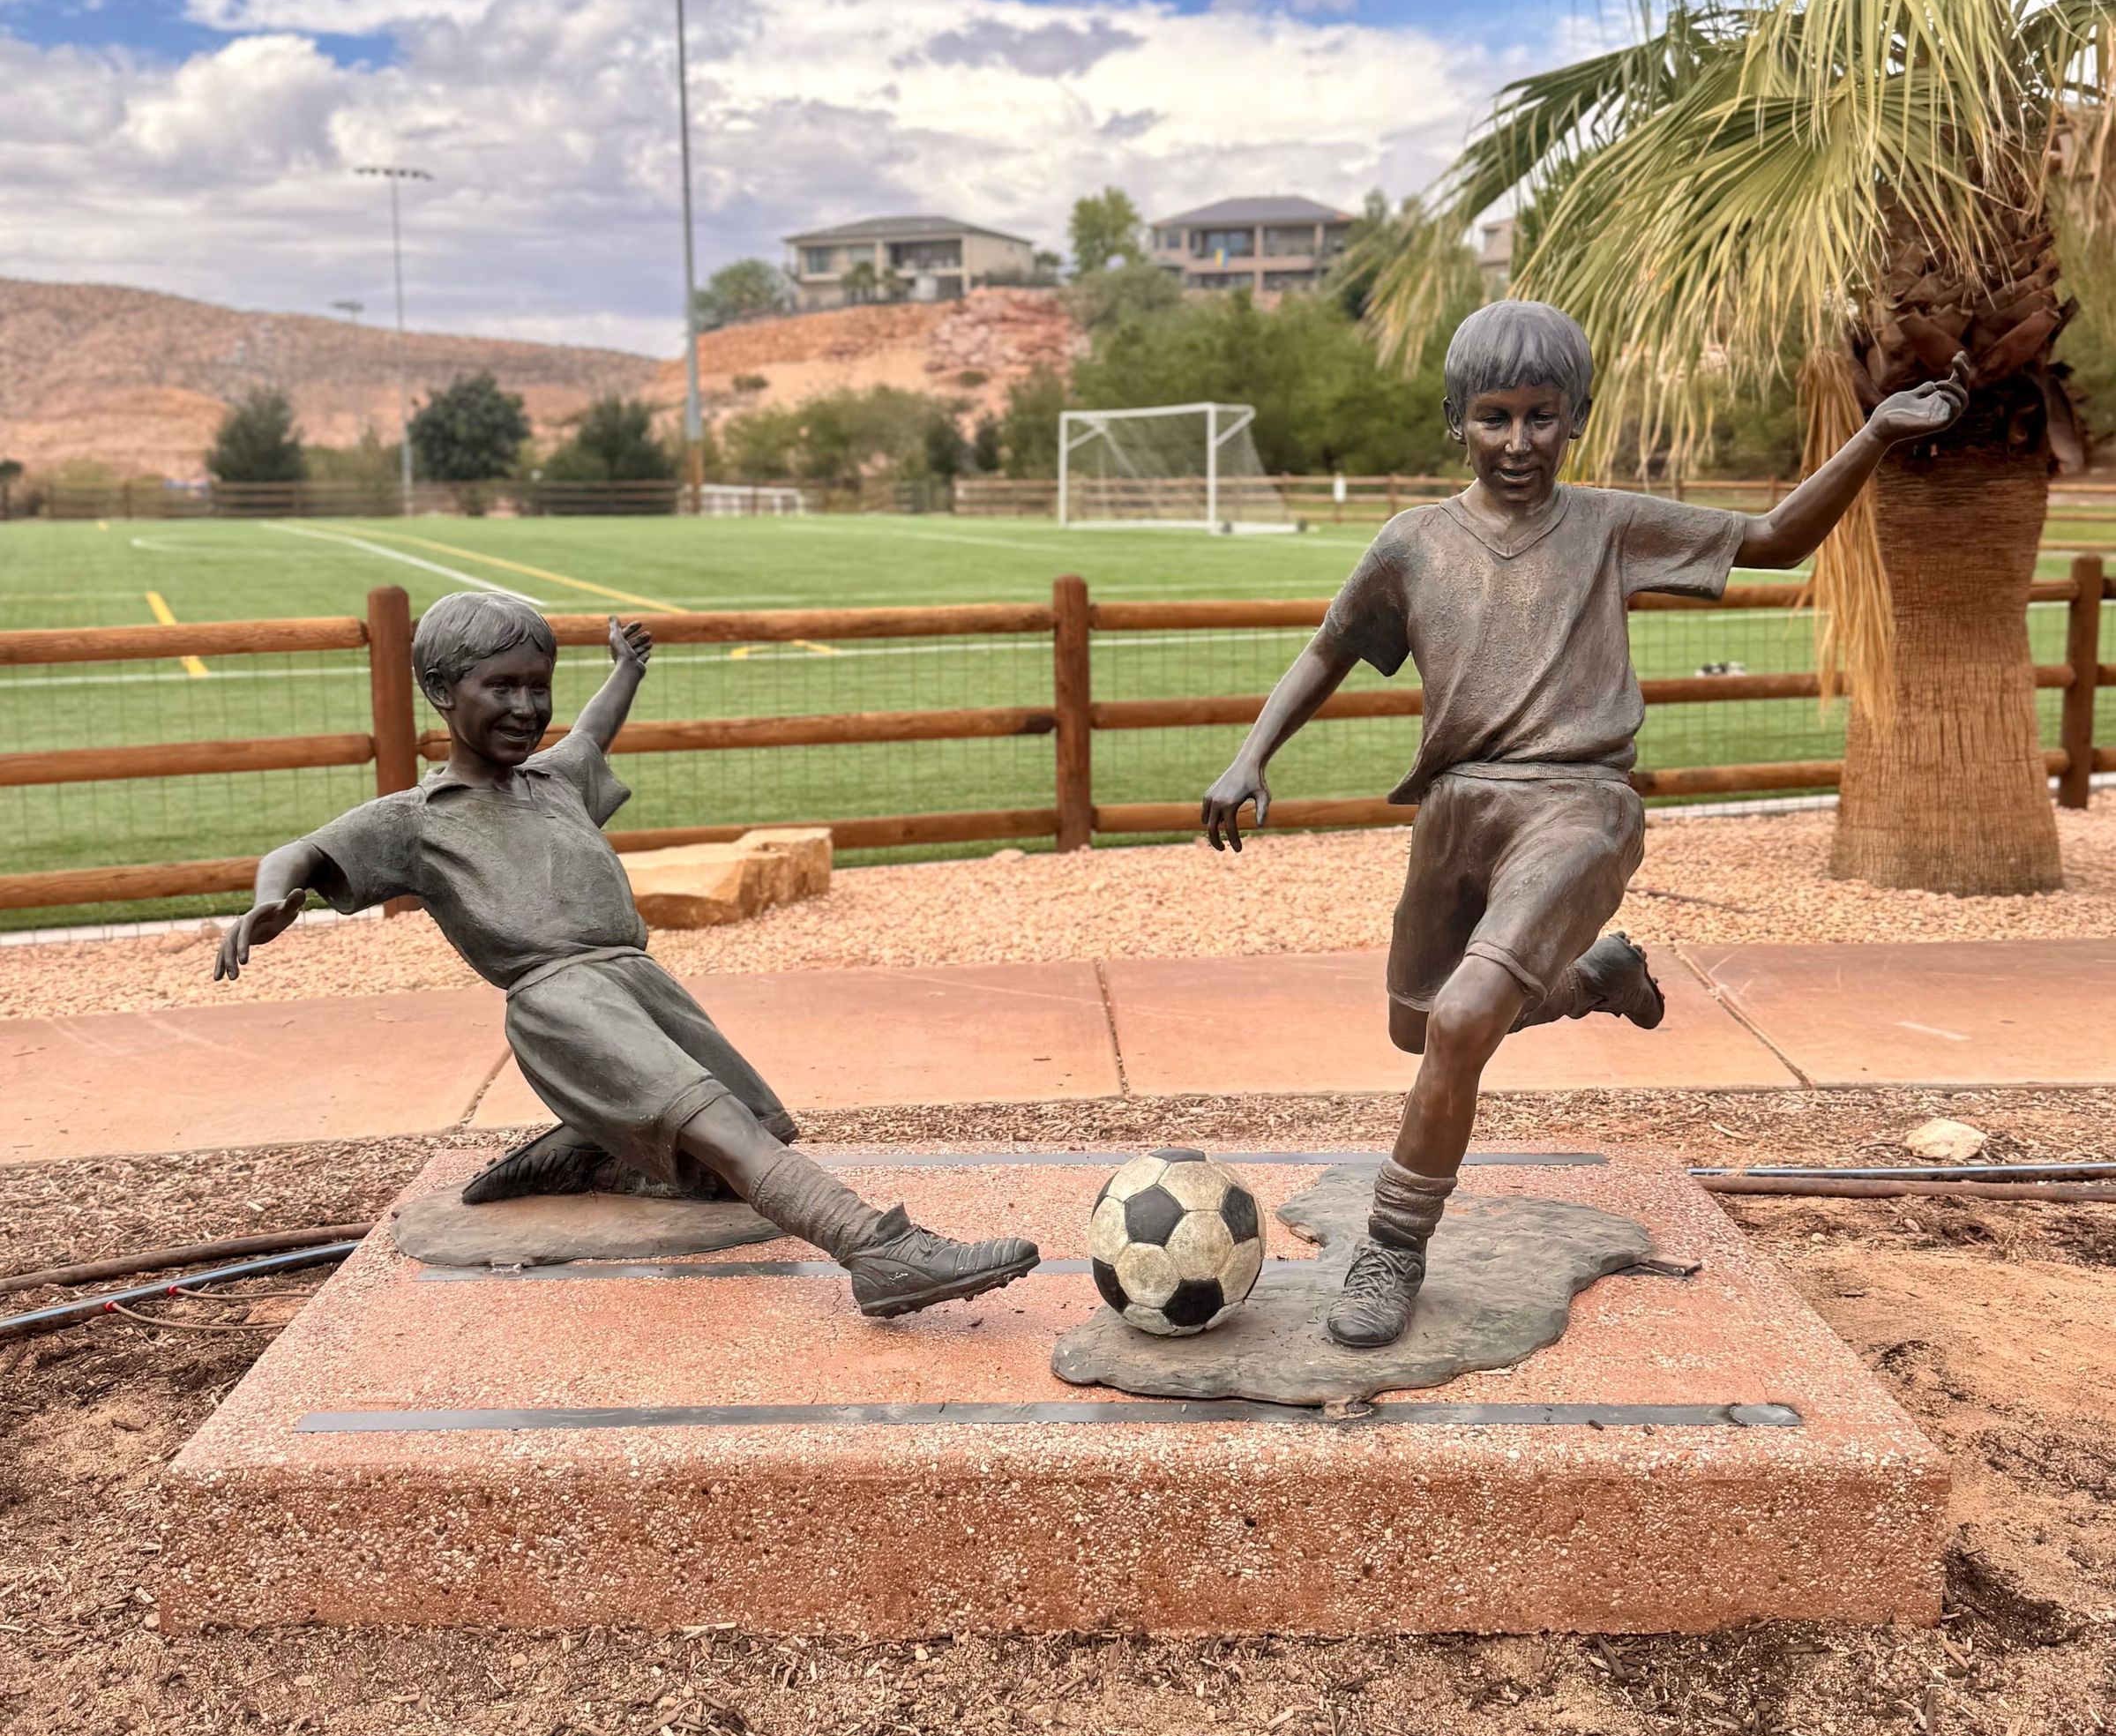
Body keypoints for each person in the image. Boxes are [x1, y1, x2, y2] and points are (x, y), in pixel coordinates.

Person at [1202, 299, 1968, 1348]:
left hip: (1578, 805)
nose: (1518, 441)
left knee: (1461, 1021)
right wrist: (1249, 752)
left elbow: (1775, 539)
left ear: (1576, 418)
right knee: (1417, 1028)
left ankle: (1391, 1246)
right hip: (1457, 807)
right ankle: (1595, 979)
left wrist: (1873, 433)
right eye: (1493, 417)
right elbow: (1327, 649)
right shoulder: (1411, 543)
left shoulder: (1609, 525)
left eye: (1541, 416)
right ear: (1455, 420)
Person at [215, 591, 1040, 1320]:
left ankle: (588, 1146)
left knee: (739, 1146)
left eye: (538, 687)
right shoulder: (416, 817)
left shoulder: (555, 780)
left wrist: (626, 670)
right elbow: (300, 852)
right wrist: (269, 899)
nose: (525, 707)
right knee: (725, 1133)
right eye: (500, 687)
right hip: (560, 1001)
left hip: (638, 984)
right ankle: (878, 1250)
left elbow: (594, 729)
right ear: (440, 691)